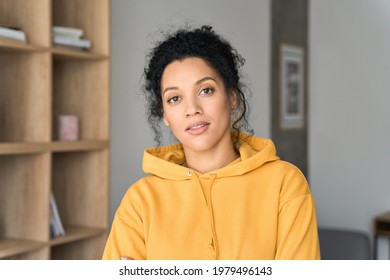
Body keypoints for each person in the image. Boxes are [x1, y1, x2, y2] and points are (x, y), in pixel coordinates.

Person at [103, 25, 320, 260]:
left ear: (232, 98)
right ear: (165, 114)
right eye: (174, 98)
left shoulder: (285, 184)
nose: (192, 110)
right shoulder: (140, 201)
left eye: (206, 90)